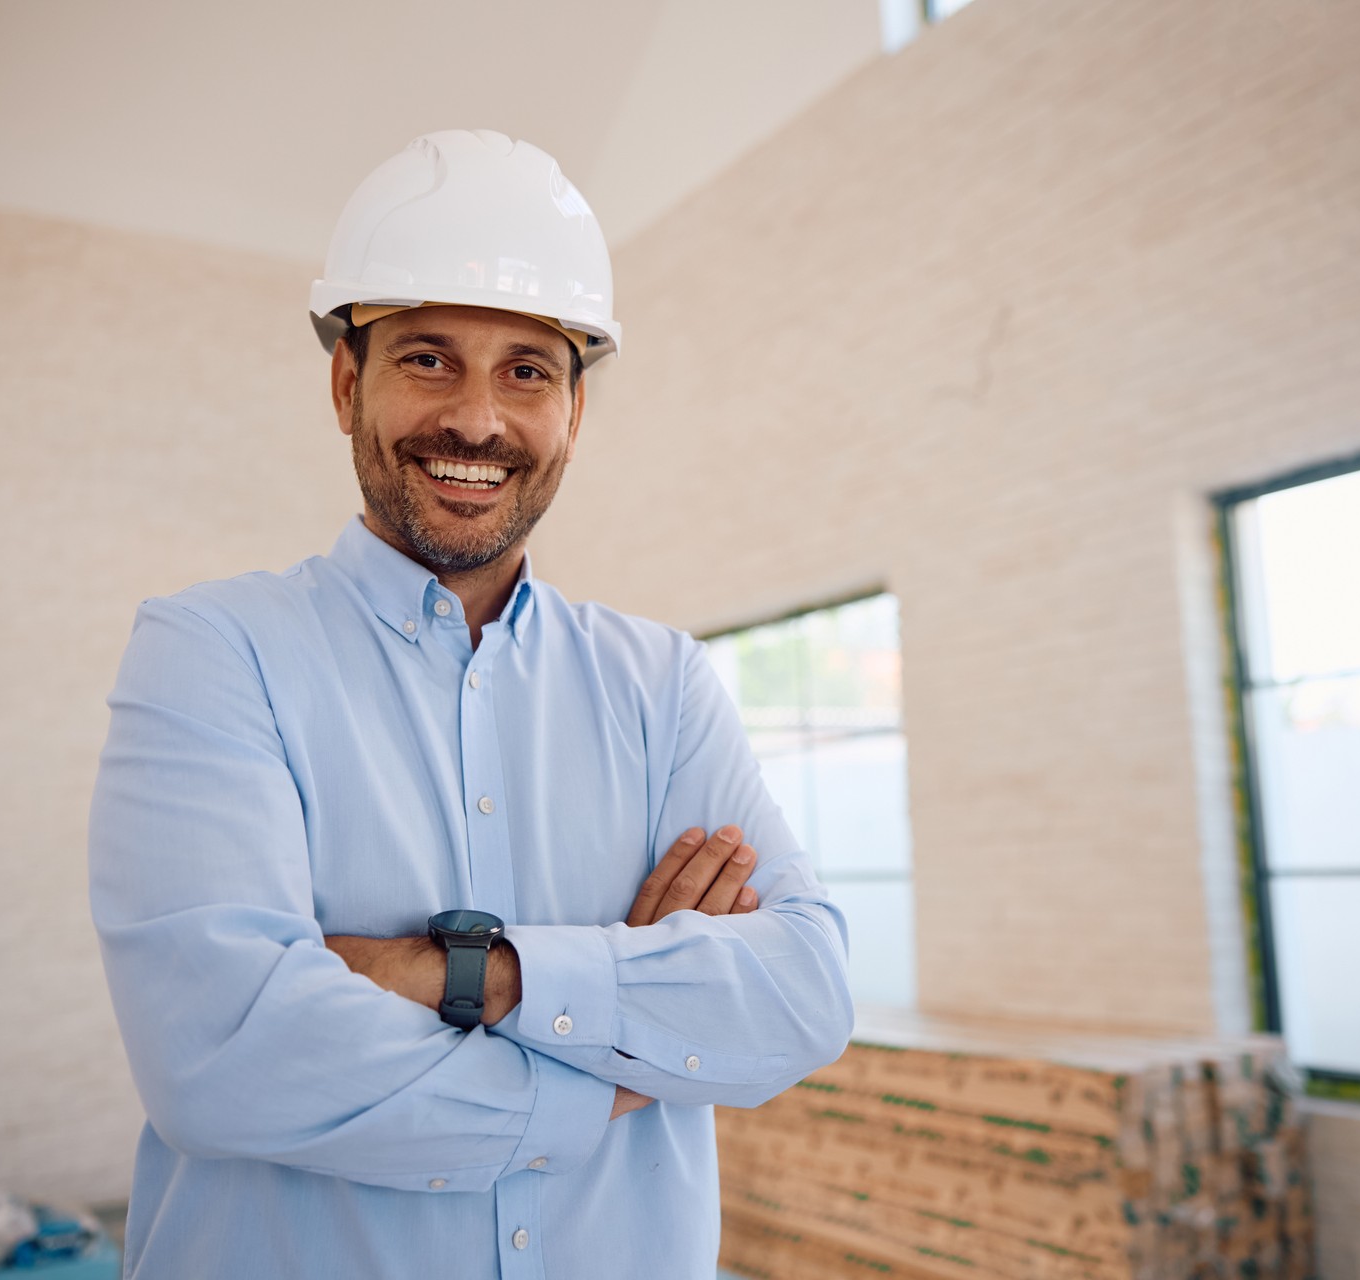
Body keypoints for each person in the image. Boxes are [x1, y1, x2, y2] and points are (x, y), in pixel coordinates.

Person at [88, 129, 853, 1279]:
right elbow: (227, 1052)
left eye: (527, 371)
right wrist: (633, 1036)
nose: (481, 422)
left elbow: (801, 995)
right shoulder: (211, 651)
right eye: (429, 359)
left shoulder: (664, 682)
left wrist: (474, 972)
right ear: (348, 381)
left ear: (575, 411)